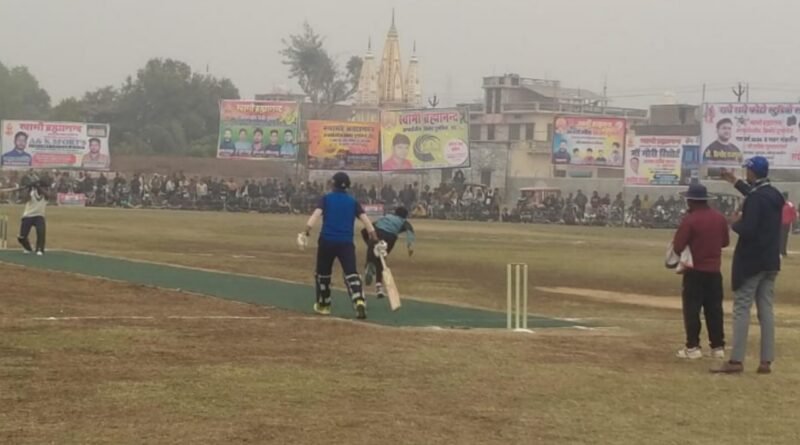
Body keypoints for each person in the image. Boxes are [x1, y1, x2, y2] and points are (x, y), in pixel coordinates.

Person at [713, 157, 784, 374]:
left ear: (753, 172)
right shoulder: (775, 195)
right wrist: (734, 182)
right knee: (766, 311)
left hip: (752, 261)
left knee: (742, 309)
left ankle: (736, 360)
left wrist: (735, 223)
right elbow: (755, 196)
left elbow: (749, 228)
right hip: (770, 259)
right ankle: (766, 360)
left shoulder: (756, 198)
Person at [302, 172, 377, 319]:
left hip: (327, 241)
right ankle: (359, 301)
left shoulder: (326, 199)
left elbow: (316, 215)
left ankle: (324, 305)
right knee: (351, 273)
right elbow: (366, 220)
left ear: (333, 184)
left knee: (323, 274)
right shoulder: (352, 201)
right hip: (346, 243)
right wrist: (374, 236)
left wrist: (306, 231)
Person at [672, 183, 729, 360]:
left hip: (695, 271)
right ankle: (718, 346)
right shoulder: (719, 218)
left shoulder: (690, 220)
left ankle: (693, 346)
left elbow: (678, 245)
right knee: (714, 310)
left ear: (691, 201)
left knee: (692, 310)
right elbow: (725, 242)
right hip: (714, 271)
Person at [361, 206, 416, 299]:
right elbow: (410, 233)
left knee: (372, 247)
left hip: (378, 232)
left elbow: (367, 228)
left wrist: (370, 243)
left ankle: (370, 262)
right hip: (390, 237)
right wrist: (410, 247)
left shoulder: (386, 217)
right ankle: (379, 287)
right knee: (381, 259)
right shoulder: (403, 221)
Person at [18, 178, 49, 255]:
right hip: (28, 216)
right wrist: (29, 188)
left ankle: (40, 249)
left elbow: (48, 195)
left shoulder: (45, 194)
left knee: (41, 232)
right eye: (44, 187)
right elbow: (25, 199)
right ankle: (28, 248)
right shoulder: (32, 193)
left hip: (39, 216)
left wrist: (37, 186)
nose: (46, 189)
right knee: (21, 237)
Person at [781, 192, 796, 257]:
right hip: (781, 223)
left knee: (784, 237)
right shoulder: (780, 203)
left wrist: (792, 220)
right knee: (782, 237)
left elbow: (793, 213)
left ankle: (783, 250)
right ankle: (781, 250)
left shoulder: (789, 204)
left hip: (786, 223)